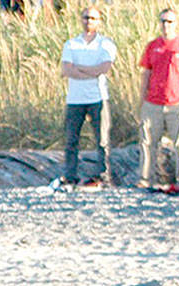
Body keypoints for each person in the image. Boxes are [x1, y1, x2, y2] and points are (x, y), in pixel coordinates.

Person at [137, 9, 179, 191]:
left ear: (176, 23)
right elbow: (146, 74)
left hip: (176, 103)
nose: (166, 25)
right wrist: (142, 101)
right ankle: (145, 178)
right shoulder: (152, 46)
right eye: (164, 21)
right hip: (153, 102)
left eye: (170, 21)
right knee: (147, 142)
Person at [60, 6, 116, 188]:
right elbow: (67, 70)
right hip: (75, 99)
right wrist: (90, 71)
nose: (89, 21)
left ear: (99, 21)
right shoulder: (71, 44)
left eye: (92, 18)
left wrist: (80, 69)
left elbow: (104, 68)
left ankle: (104, 176)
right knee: (71, 140)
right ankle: (70, 175)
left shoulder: (106, 44)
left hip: (98, 98)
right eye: (85, 17)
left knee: (102, 139)